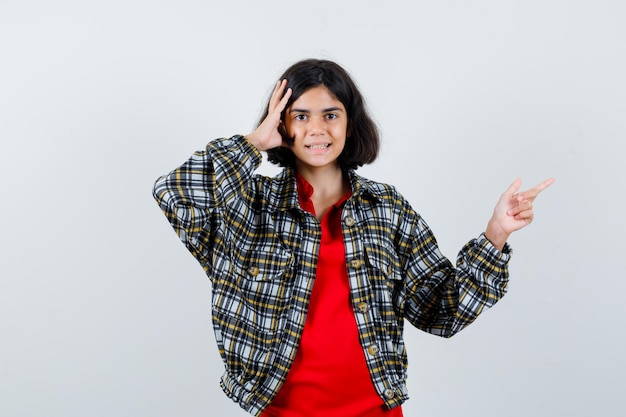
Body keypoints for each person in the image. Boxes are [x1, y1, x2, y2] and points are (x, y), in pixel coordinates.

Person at [152, 59, 554, 417]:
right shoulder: (247, 205)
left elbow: (440, 311)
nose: (317, 129)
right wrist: (253, 144)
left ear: (349, 123)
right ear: (282, 124)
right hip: (279, 411)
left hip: (375, 411)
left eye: (331, 115)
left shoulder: (387, 208)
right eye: (301, 116)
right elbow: (175, 194)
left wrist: (496, 233)